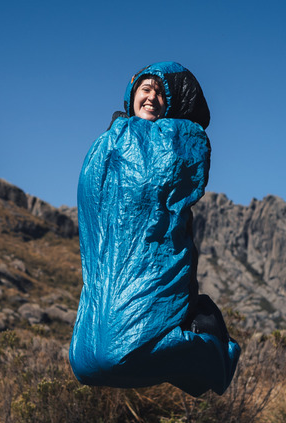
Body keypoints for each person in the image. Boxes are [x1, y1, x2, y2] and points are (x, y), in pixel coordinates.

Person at [69, 62, 240, 396]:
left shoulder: (176, 139)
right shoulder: (109, 141)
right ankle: (198, 341)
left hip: (149, 264)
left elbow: (176, 177)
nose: (152, 97)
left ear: (173, 104)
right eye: (145, 89)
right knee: (85, 362)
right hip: (107, 269)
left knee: (118, 354)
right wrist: (120, 134)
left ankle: (211, 342)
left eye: (161, 93)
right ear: (132, 94)